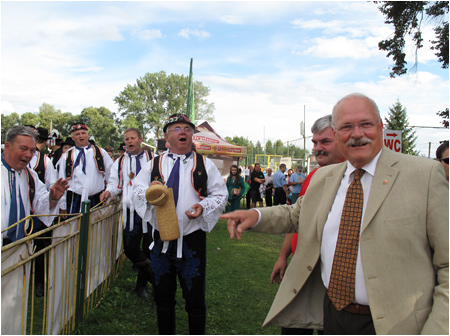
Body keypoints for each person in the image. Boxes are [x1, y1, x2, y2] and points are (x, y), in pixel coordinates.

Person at [221, 93, 448, 335]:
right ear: (337, 134)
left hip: (398, 325)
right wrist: (256, 216)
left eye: (366, 124)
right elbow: (295, 215)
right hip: (333, 315)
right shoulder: (324, 177)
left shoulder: (424, 175)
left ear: (381, 127)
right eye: (347, 127)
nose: (357, 133)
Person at [133, 113, 227, 335]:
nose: (183, 132)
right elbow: (135, 191)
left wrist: (203, 207)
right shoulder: (152, 164)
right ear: (167, 136)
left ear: (192, 134)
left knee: (195, 298)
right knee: (163, 297)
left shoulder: (205, 164)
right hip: (161, 239)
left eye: (187, 128)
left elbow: (220, 195)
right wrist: (149, 193)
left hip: (192, 240)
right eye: (177, 128)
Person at [271, 114, 346, 335]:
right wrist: (283, 257)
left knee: (328, 326)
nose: (318, 148)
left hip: (333, 274)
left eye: (325, 142)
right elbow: (295, 221)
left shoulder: (355, 178)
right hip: (302, 267)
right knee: (294, 328)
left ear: (341, 140)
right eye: (315, 142)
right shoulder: (312, 177)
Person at [101, 128, 154, 298]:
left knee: (148, 249)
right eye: (126, 139)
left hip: (150, 211)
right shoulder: (120, 162)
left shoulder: (153, 159)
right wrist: (108, 192)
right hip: (131, 212)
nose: (129, 142)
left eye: (132, 138)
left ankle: (141, 286)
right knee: (130, 248)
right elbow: (114, 183)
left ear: (140, 140)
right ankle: (155, 278)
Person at [1, 126, 69, 247]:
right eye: (23, 149)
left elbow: (40, 205)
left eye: (32, 150)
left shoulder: (30, 175)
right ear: (7, 147)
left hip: (21, 247)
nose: (28, 155)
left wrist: (52, 198)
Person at [25, 126, 58, 297]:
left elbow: (51, 184)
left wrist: (52, 198)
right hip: (19, 214)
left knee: (39, 247)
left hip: (36, 210)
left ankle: (39, 283)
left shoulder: (45, 161)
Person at [58, 123, 113, 215]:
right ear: (73, 138)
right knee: (74, 227)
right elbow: (61, 180)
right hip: (74, 199)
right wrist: (62, 204)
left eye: (83, 133)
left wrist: (110, 191)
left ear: (87, 135)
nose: (81, 136)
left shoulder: (100, 152)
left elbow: (111, 174)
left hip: (97, 198)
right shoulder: (66, 156)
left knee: (96, 227)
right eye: (77, 134)